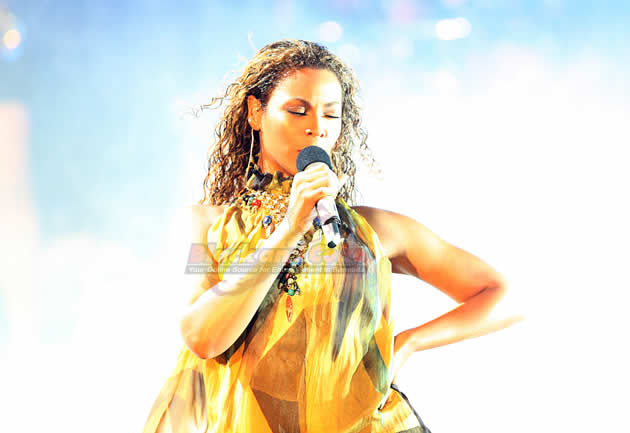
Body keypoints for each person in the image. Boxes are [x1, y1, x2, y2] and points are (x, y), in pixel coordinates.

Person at [142, 39, 523, 433]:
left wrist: (407, 343)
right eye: (297, 110)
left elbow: (506, 295)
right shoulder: (206, 227)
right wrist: (290, 229)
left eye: (330, 114)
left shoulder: (372, 231)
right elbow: (202, 337)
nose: (317, 127)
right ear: (256, 112)